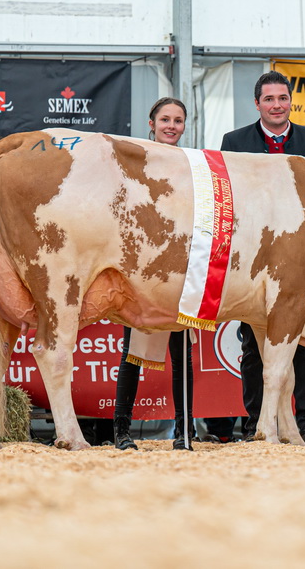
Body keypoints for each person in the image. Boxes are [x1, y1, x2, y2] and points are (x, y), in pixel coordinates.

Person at [221, 71, 305, 446]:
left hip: (301, 263)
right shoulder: (234, 142)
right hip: (253, 258)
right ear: (257, 104)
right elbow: (227, 199)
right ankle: (256, 421)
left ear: (290, 102)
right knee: (253, 343)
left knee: (304, 341)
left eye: (282, 98)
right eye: (269, 99)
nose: (277, 105)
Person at [113, 97, 198, 451]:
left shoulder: (194, 165)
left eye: (178, 120)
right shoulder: (135, 161)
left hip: (181, 266)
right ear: (152, 123)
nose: (171, 126)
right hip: (141, 268)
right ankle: (121, 432)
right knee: (133, 350)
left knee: (181, 352)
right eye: (165, 119)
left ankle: (185, 433)